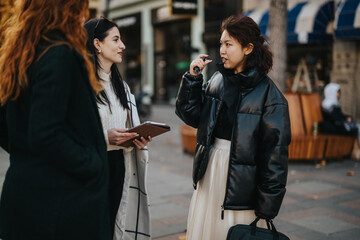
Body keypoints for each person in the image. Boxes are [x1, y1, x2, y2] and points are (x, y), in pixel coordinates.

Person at [0, 0, 111, 239]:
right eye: (82, 6)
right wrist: (92, 164)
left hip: (23, 193)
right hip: (58, 202)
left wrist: (27, 158)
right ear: (68, 8)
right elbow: (45, 133)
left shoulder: (21, 54)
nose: (84, 15)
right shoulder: (59, 53)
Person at [175, 15, 291, 240]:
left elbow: (275, 155)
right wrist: (192, 79)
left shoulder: (270, 95)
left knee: (234, 230)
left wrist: (267, 205)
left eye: (228, 44)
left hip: (242, 180)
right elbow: (192, 116)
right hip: (210, 171)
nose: (222, 50)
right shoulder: (217, 80)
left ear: (248, 48)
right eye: (221, 44)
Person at [84, 17, 152, 239]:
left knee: (114, 226)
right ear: (97, 44)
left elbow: (125, 126)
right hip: (92, 167)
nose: (122, 45)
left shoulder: (121, 86)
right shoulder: (82, 83)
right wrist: (105, 137)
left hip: (119, 167)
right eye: (116, 39)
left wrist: (136, 139)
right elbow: (68, 132)